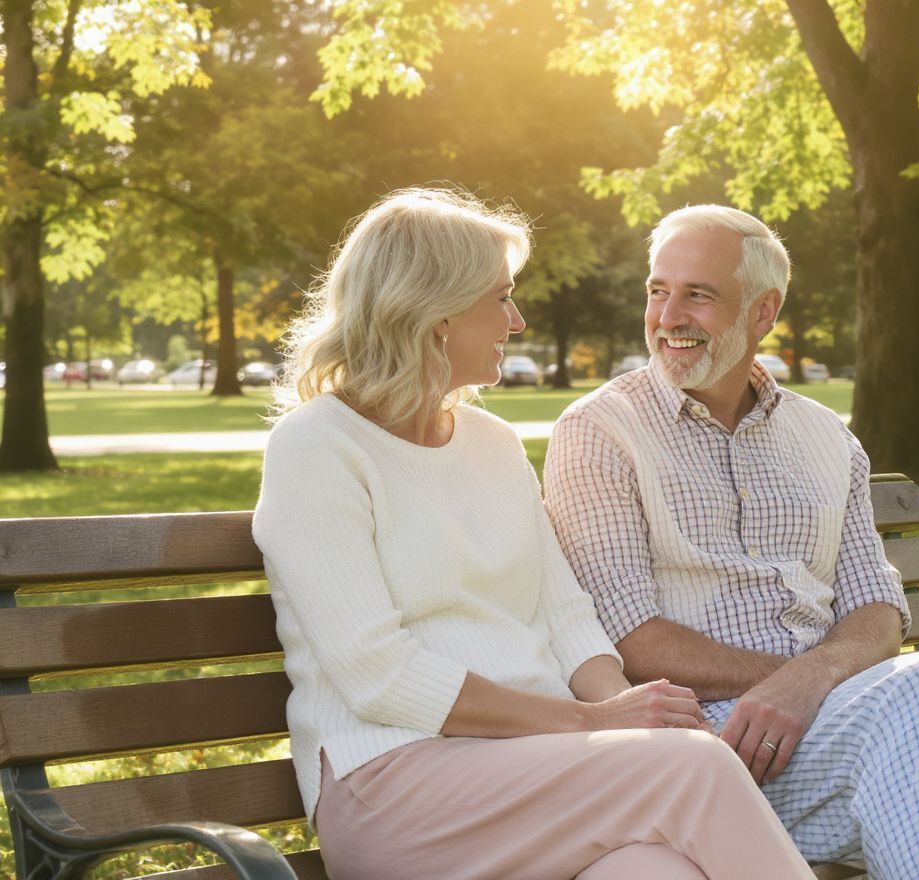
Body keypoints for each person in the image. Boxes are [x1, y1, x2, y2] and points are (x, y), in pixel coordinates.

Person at [252, 188, 813, 880]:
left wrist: (621, 708)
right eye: (500, 297)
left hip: (541, 776)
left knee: (653, 871)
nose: (515, 322)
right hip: (399, 789)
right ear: (435, 311)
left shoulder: (491, 442)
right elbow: (379, 677)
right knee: (692, 764)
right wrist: (594, 724)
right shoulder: (316, 447)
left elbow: (566, 616)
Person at [544, 204, 919, 879]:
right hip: (706, 746)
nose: (668, 315)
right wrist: (791, 685)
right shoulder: (600, 432)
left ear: (763, 312)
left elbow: (877, 607)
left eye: (698, 294)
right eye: (657, 290)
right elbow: (628, 637)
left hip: (832, 724)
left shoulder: (825, 438)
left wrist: (812, 680)